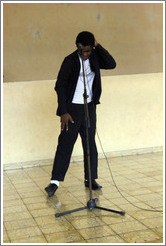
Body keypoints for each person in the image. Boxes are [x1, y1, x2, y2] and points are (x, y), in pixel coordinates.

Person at [45, 31, 116, 197]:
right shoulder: (69, 61)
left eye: (89, 50)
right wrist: (64, 112)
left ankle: (90, 179)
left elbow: (112, 64)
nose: (86, 54)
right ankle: (54, 182)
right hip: (72, 110)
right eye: (83, 51)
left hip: (89, 107)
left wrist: (97, 46)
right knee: (65, 144)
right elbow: (60, 86)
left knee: (90, 143)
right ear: (77, 47)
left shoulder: (95, 57)